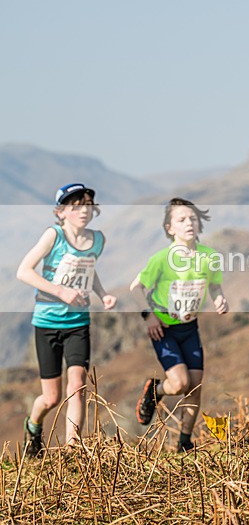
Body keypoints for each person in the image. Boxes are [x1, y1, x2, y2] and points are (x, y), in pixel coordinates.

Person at [17, 183, 117, 456]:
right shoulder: (54, 235)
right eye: (76, 206)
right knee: (51, 398)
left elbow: (89, 271)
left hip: (78, 324)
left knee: (78, 385)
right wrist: (61, 291)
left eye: (88, 205)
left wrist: (103, 294)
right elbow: (24, 271)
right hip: (47, 323)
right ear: (61, 212)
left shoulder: (97, 240)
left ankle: (73, 450)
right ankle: (33, 425)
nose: (83, 211)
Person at [130, 197, 228, 452]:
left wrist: (219, 299)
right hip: (164, 330)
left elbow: (214, 285)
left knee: (195, 386)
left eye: (193, 218)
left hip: (190, 328)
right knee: (180, 383)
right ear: (169, 228)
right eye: (181, 219)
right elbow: (135, 288)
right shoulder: (162, 259)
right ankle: (155, 390)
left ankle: (184, 442)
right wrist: (148, 316)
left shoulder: (209, 256)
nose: (189, 223)